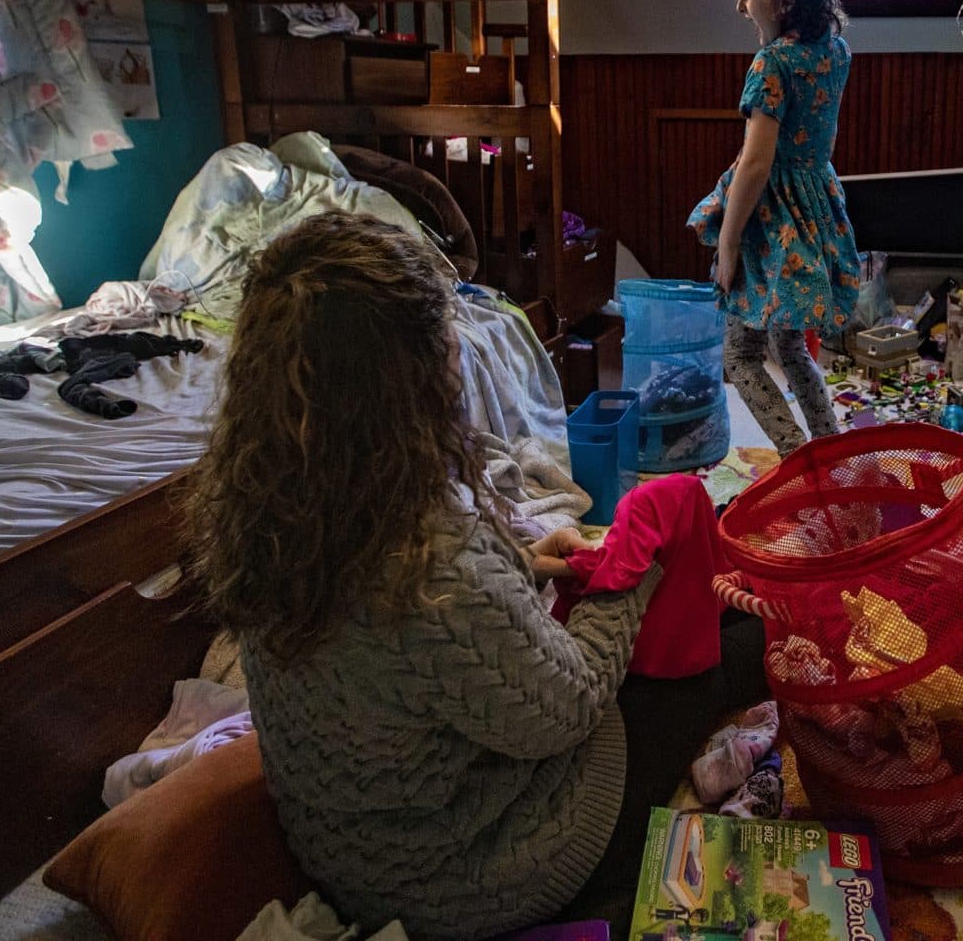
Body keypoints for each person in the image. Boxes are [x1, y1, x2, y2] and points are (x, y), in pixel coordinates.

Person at [181, 212, 766, 940]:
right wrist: (632, 567)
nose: (460, 350)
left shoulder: (277, 506)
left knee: (719, 602)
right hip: (476, 874)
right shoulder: (431, 563)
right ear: (409, 380)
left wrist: (522, 561)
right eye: (447, 334)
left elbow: (395, 640)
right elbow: (572, 703)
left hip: (357, 853)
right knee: (734, 649)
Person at [688, 0, 860, 458]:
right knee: (791, 345)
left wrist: (730, 242)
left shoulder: (772, 63)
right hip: (815, 204)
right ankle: (827, 449)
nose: (742, 6)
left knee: (739, 356)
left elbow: (756, 166)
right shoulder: (834, 51)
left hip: (771, 218)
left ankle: (797, 457)